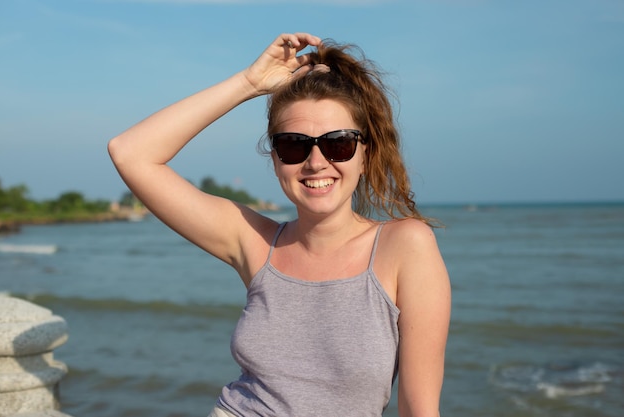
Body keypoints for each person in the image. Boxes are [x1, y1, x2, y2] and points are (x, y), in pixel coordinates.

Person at [108, 32, 451, 417]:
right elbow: (130, 152)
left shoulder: (404, 245)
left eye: (338, 143)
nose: (316, 162)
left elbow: (419, 410)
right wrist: (249, 84)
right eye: (294, 145)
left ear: (364, 155)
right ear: (275, 161)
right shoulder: (253, 241)